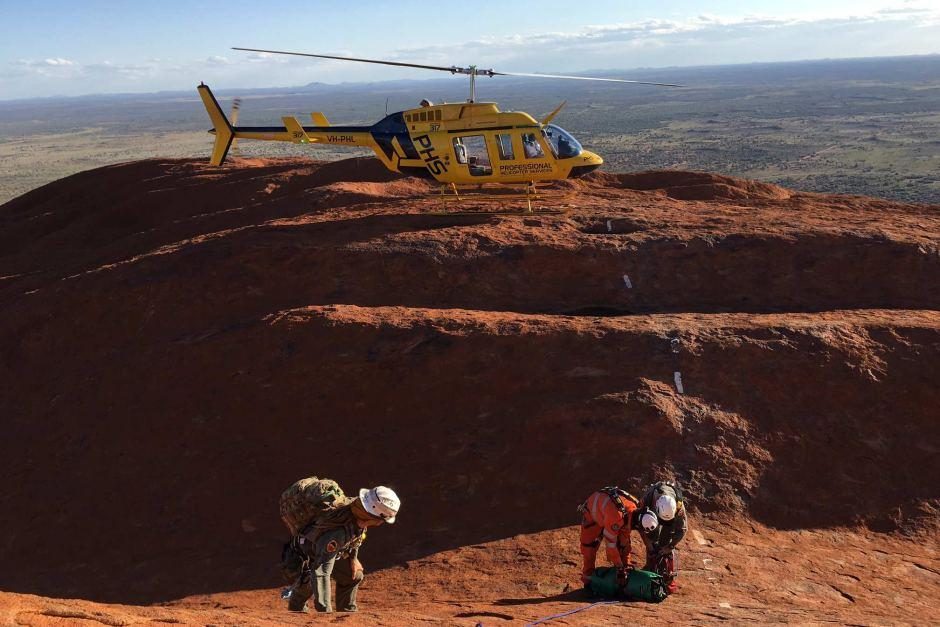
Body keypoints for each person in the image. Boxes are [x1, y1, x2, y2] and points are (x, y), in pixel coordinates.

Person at [284, 485, 401, 613]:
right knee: (311, 582)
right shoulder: (338, 534)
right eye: (383, 519)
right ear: (376, 518)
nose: (381, 523)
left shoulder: (358, 510)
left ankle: (346, 613)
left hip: (330, 551)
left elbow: (357, 537)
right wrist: (325, 611)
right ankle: (296, 605)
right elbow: (321, 571)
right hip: (308, 552)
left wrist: (353, 559)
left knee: (353, 575)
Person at [578, 487, 659, 585]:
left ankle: (627, 569)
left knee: (624, 544)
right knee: (589, 549)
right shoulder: (616, 517)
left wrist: (651, 550)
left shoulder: (634, 508)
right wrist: (619, 568)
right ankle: (589, 581)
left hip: (609, 511)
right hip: (592, 516)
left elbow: (627, 538)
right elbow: (610, 545)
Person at [638, 480, 687, 593]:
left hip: (670, 516)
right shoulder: (647, 502)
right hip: (652, 514)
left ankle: (667, 575)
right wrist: (649, 545)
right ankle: (650, 566)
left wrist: (670, 546)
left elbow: (682, 529)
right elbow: (640, 526)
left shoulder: (678, 506)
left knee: (666, 539)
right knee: (651, 534)